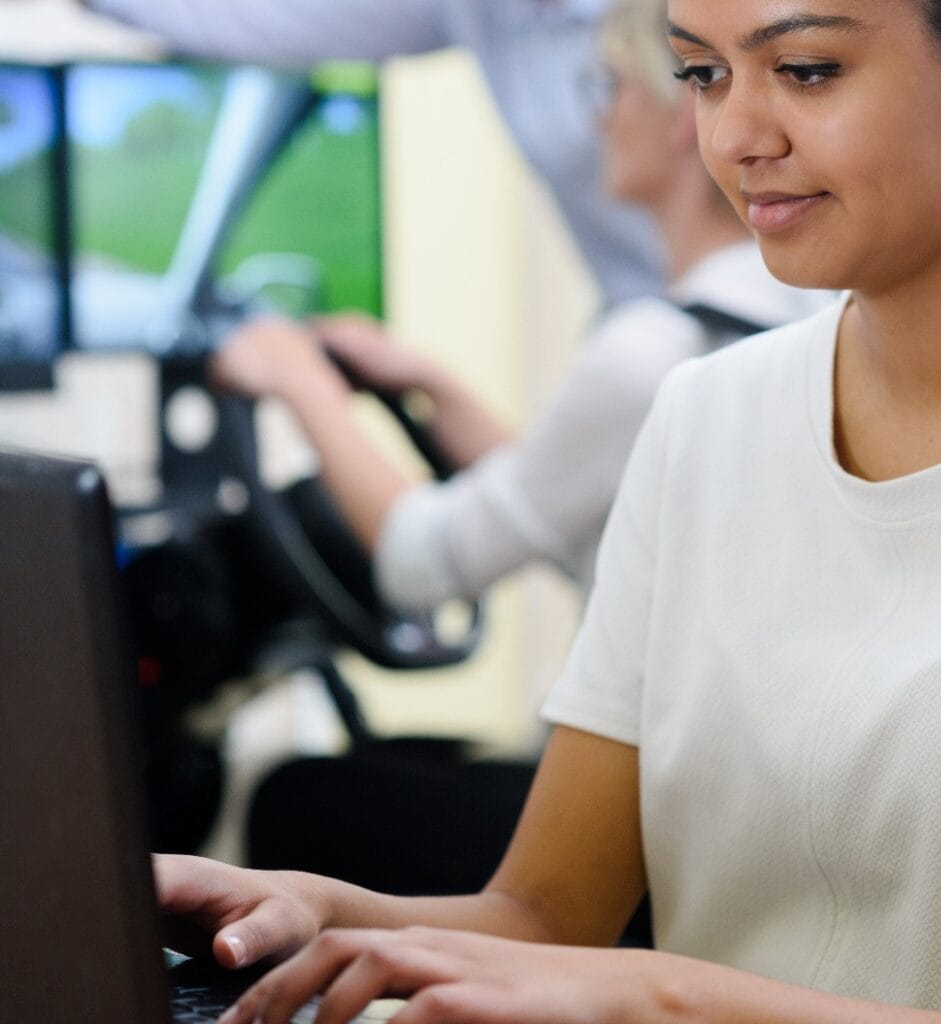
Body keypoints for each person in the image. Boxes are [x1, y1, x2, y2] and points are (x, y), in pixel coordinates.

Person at [156, 0, 941, 1018]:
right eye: (702, 75)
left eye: (805, 70)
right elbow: (541, 917)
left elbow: (611, 974)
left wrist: (649, 993)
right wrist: (327, 913)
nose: (736, 137)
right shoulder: (704, 418)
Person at [218, 0, 827, 902]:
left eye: (610, 87)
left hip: (658, 837)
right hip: (744, 812)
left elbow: (419, 562)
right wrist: (431, 386)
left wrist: (295, 381)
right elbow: (577, 508)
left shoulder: (650, 352)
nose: (592, 117)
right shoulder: (786, 320)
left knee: (290, 797)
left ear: (675, 120)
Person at [75, 0, 665, 306]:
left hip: (717, 330)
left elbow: (445, 538)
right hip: (649, 336)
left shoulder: (671, 23)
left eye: (609, 86)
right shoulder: (488, 10)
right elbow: (268, 18)